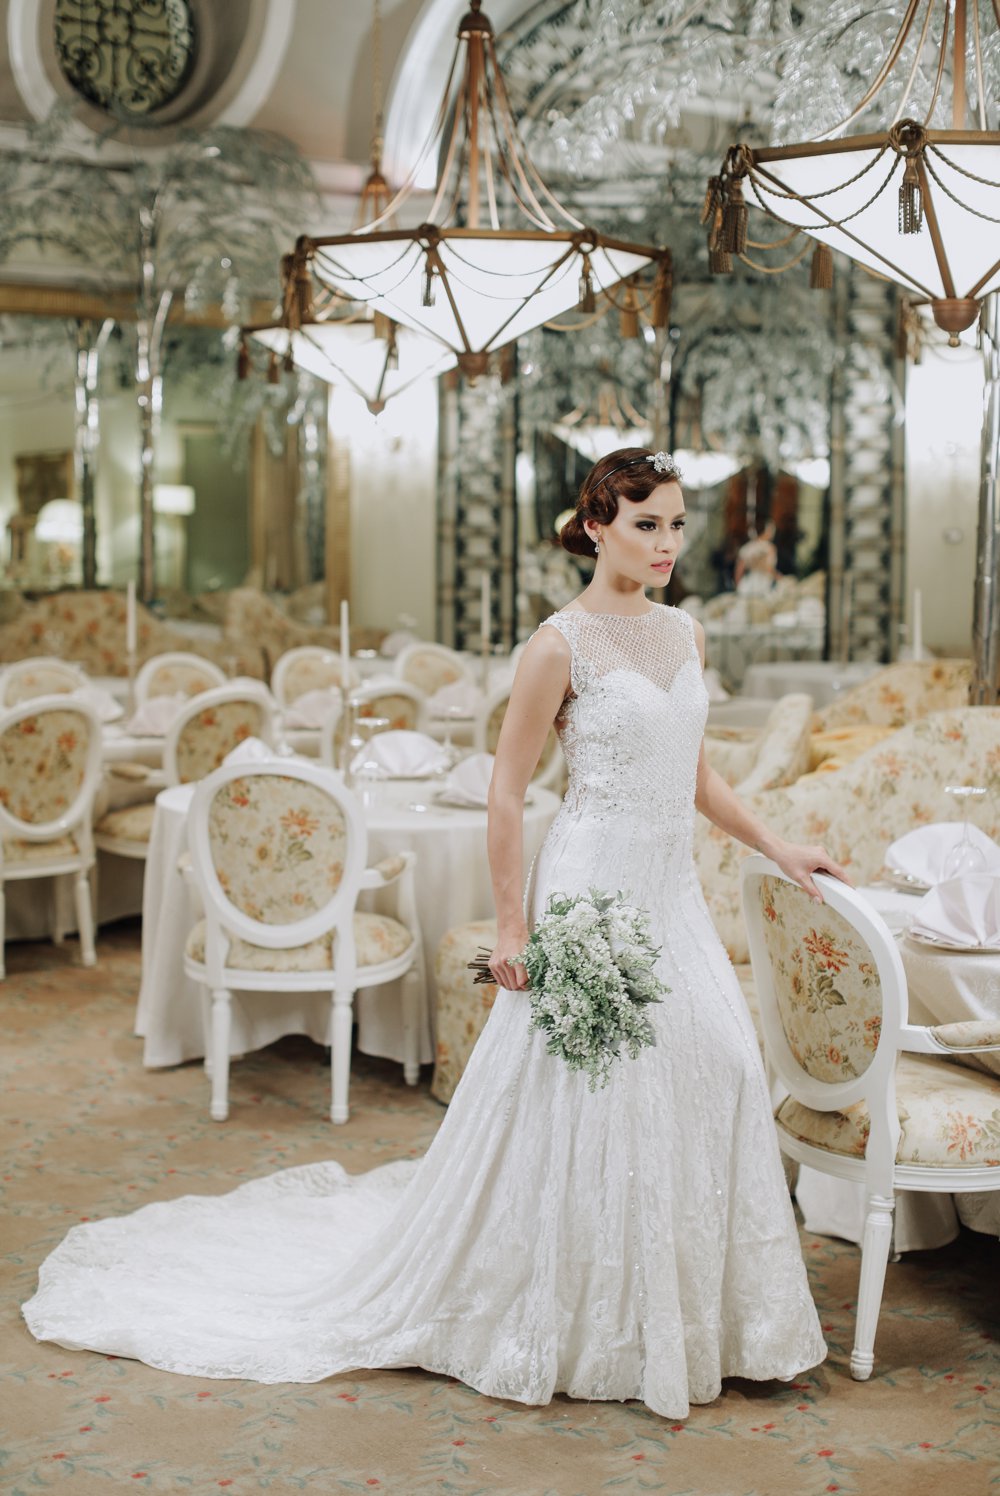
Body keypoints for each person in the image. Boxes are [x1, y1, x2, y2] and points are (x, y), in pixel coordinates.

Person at [23, 447, 841, 1420]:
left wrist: (780, 844)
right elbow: (505, 788)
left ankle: (705, 1316)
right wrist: (511, 923)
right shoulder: (558, 643)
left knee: (720, 1068)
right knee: (594, 1092)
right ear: (593, 526)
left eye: (674, 522)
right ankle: (579, 1314)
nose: (666, 542)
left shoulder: (685, 632)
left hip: (669, 893)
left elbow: (695, 772)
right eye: (645, 523)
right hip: (589, 884)